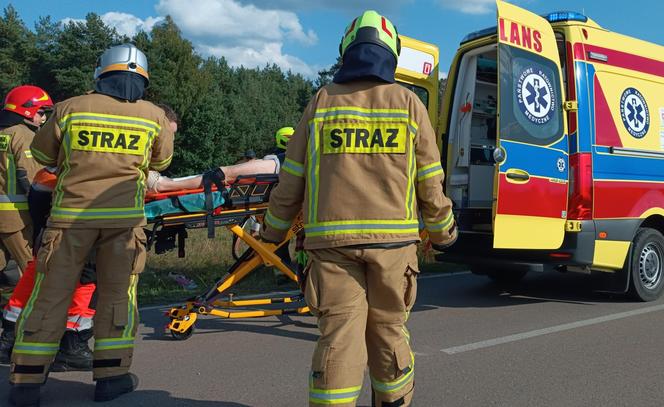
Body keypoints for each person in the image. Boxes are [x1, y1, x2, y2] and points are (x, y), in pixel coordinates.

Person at [260, 10, 457, 407]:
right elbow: (430, 183)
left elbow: (292, 179)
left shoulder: (321, 102)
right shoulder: (408, 103)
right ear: (391, 55)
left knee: (340, 339)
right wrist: (443, 233)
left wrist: (272, 234)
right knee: (388, 331)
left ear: (347, 53)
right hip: (393, 248)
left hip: (330, 246)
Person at [8, 43, 174, 406]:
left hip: (69, 221)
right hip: (124, 226)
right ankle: (111, 378)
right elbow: (161, 161)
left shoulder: (69, 109)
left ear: (102, 73)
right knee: (117, 297)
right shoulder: (153, 115)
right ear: (142, 79)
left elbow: (42, 155)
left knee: (49, 296)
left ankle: (27, 381)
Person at [0, 167, 97, 371]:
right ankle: (73, 345)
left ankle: (10, 337)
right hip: (80, 196)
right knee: (89, 272)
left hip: (47, 186)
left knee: (41, 264)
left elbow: (42, 151)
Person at [0, 85, 53, 284]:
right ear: (27, 110)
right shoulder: (23, 135)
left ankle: (8, 313)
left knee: (5, 276)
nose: (43, 118)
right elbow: (31, 177)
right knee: (33, 272)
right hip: (17, 219)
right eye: (40, 112)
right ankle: (34, 314)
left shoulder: (3, 132)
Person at [145, 125, 294, 194]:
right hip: (280, 166)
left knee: (222, 174)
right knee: (220, 174)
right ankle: (165, 183)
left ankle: (163, 185)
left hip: (279, 167)